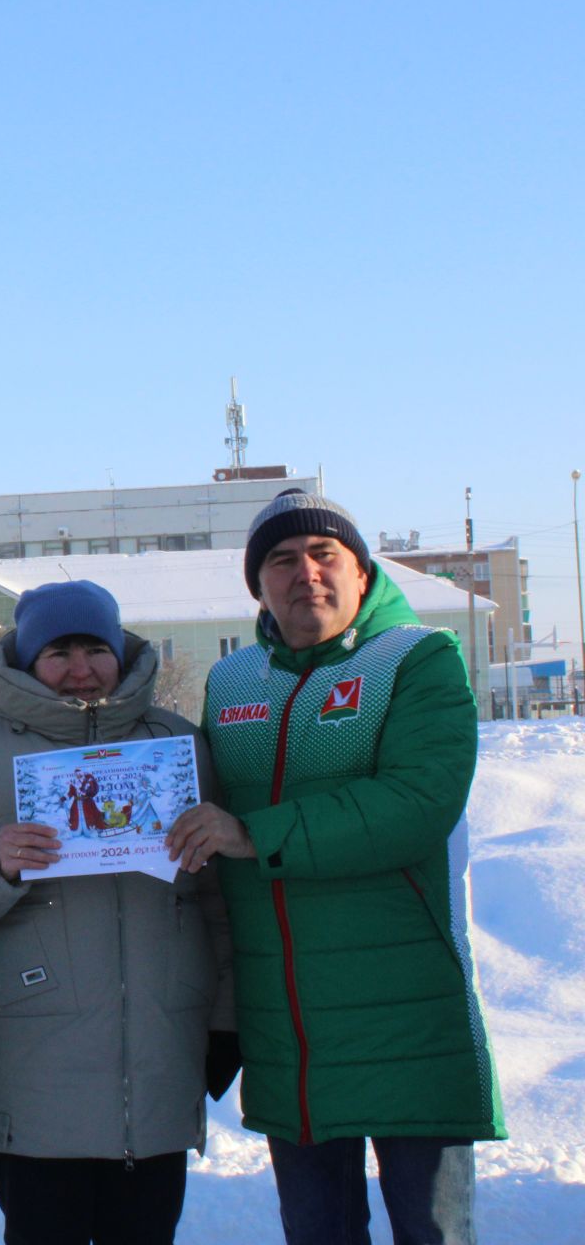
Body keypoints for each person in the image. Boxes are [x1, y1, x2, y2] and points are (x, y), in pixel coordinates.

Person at [166, 489, 506, 1245]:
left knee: (434, 1234)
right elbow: (188, 812)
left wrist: (255, 835)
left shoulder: (415, 661)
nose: (305, 574)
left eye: (326, 555)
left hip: (408, 1019)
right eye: (282, 561)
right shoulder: (231, 685)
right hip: (289, 1034)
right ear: (258, 585)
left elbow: (418, 803)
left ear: (361, 572)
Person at [0, 579, 235, 1245]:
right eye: (59, 651)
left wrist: (226, 1024)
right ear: (29, 660)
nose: (81, 668)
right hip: (34, 1078)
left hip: (157, 1070)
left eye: (96, 648)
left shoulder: (179, 748)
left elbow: (220, 908)